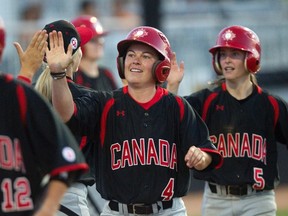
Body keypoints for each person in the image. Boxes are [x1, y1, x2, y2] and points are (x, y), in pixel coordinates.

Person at [47, 25, 223, 215]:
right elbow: (66, 114)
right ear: (121, 62)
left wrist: (201, 157)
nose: (135, 61)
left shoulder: (177, 106)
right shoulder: (105, 103)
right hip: (117, 211)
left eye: (145, 56)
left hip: (167, 210)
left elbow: (207, 153)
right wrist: (58, 75)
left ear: (161, 66)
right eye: (130, 55)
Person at [167, 25, 288, 216]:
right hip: (217, 201)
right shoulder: (206, 100)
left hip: (259, 202)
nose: (227, 60)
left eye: (234, 54)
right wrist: (172, 86)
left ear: (252, 58)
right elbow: (168, 122)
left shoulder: (271, 104)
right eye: (222, 54)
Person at [0, 18, 89, 216]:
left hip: (27, 194)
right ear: (75, 58)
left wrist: (26, 73)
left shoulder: (25, 93)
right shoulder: (88, 97)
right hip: (68, 196)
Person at [71, 15, 118, 91]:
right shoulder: (72, 76)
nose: (100, 43)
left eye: (100, 38)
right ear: (78, 44)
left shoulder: (106, 74)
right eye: (93, 40)